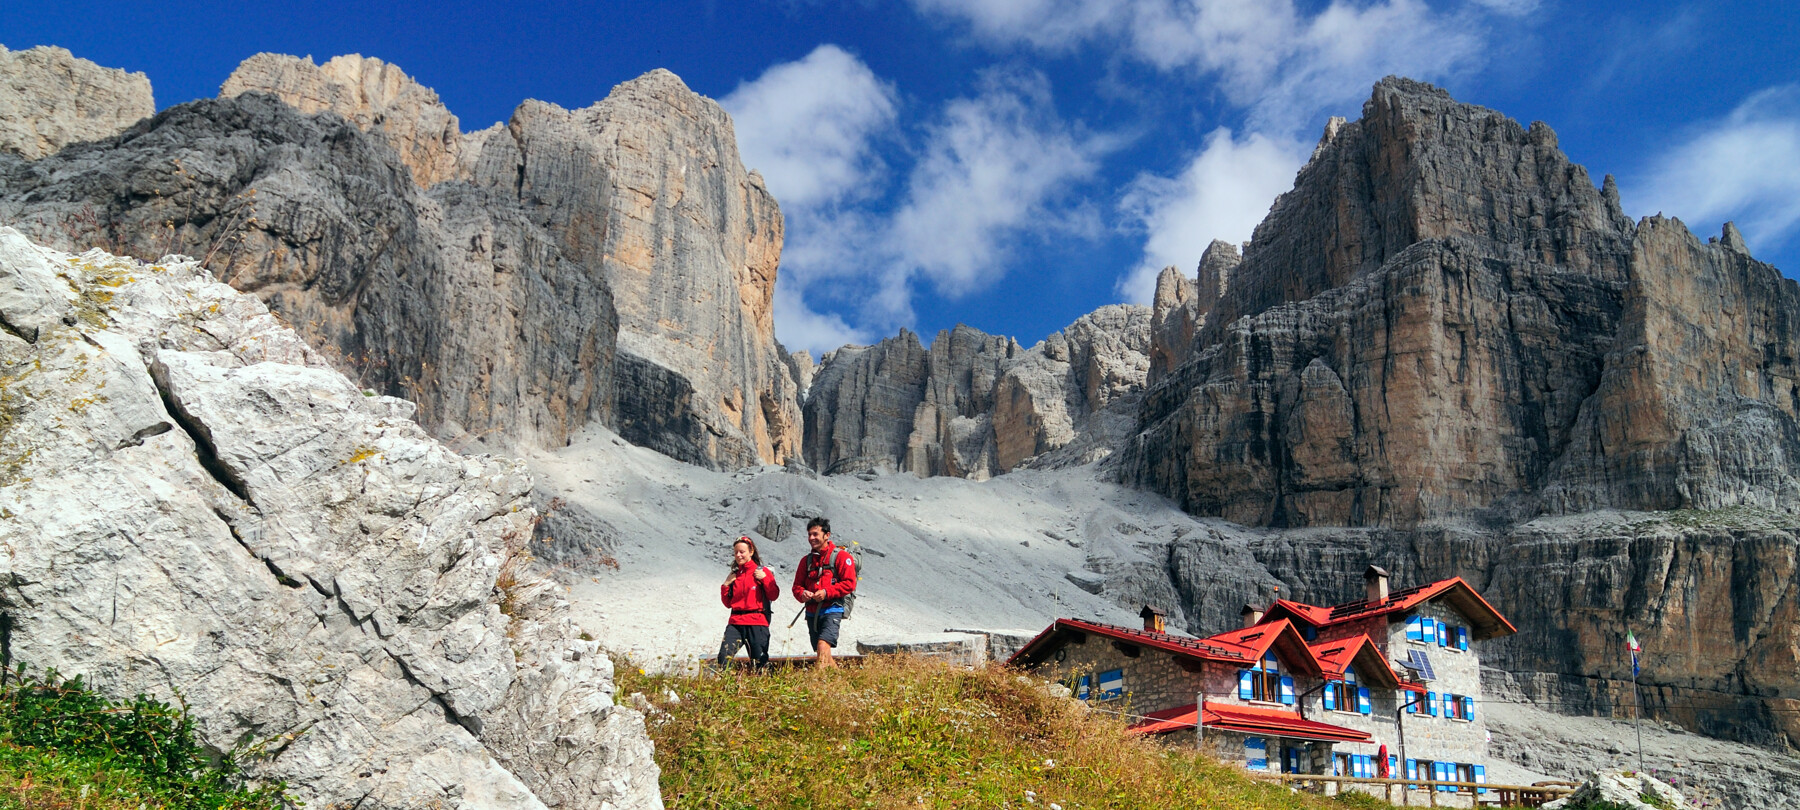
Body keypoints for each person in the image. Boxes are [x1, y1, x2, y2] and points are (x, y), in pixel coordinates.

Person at [792, 516, 856, 668]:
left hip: (833, 609)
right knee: (823, 653)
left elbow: (849, 583)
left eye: (815, 534)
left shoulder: (841, 557)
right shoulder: (805, 561)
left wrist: (827, 592)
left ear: (827, 535)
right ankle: (839, 680)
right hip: (812, 612)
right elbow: (796, 587)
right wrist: (803, 594)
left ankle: (818, 683)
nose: (811, 538)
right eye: (809, 534)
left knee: (822, 645)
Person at [718, 536, 778, 669]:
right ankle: (726, 686)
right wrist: (726, 585)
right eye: (736, 552)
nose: (738, 555)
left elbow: (774, 595)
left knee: (759, 662)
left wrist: (765, 579)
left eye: (742, 552)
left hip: (757, 621)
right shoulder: (734, 575)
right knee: (723, 658)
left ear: (751, 552)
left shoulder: (762, 572)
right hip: (736, 622)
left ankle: (762, 686)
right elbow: (728, 603)